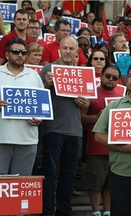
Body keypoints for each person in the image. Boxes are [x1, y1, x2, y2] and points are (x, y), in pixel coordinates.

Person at [40, 36, 89, 215]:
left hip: (75, 132)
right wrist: (46, 84)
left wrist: (84, 103)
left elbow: (88, 103)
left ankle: (64, 211)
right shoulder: (48, 69)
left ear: (77, 52)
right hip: (53, 129)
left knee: (68, 176)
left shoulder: (83, 74)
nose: (68, 51)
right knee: (50, 175)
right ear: (59, 50)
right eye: (65, 48)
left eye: (72, 49)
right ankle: (46, 211)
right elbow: (38, 95)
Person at [0, 38, 44, 176]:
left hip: (27, 139)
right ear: (7, 55)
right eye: (16, 52)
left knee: (21, 185)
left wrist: (40, 119)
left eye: (23, 52)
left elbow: (43, 106)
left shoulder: (34, 75)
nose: (20, 55)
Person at [81, 65, 121, 216]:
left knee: (110, 185)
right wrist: (96, 117)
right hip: (95, 147)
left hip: (115, 149)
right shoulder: (90, 94)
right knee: (96, 183)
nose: (111, 80)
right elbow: (81, 119)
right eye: (108, 76)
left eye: (115, 78)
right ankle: (96, 212)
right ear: (101, 76)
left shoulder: (121, 97)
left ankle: (108, 212)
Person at [93, 68, 131, 216]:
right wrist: (122, 148)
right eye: (130, 75)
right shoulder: (115, 106)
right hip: (121, 173)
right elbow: (98, 136)